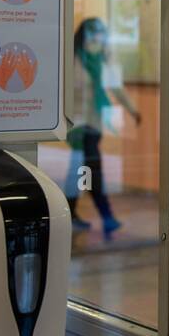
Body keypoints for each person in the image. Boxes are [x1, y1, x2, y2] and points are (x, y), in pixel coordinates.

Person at [65, 17, 141, 239]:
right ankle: (106, 216)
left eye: (99, 34)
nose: (96, 38)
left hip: (96, 122)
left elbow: (116, 88)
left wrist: (133, 110)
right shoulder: (71, 58)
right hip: (77, 125)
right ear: (83, 35)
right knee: (92, 168)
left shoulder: (105, 59)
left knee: (79, 170)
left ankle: (70, 214)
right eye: (92, 34)